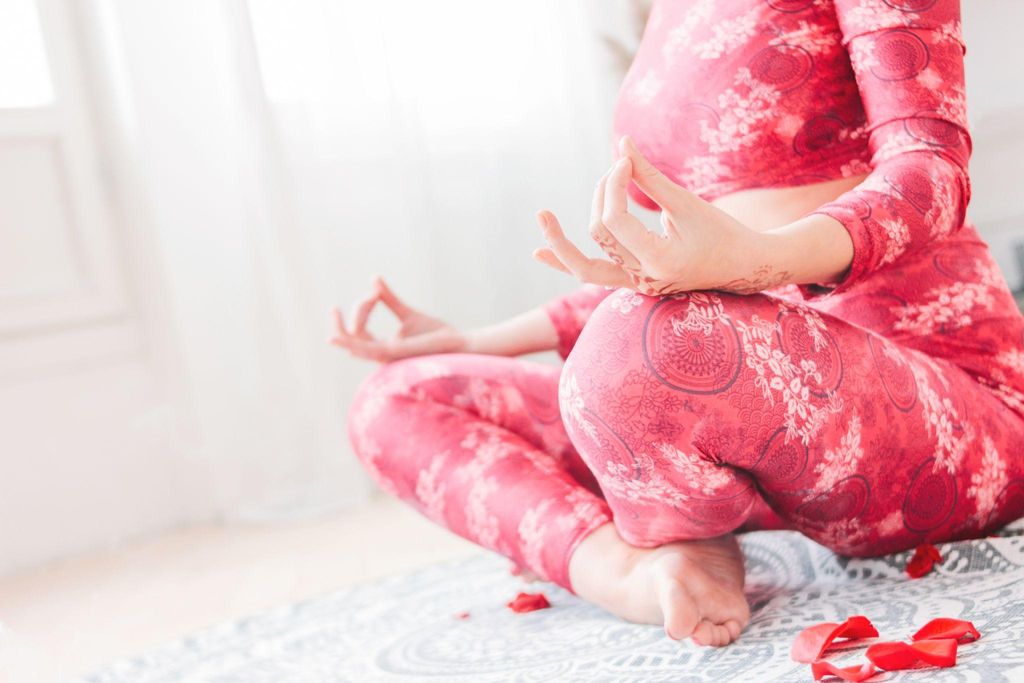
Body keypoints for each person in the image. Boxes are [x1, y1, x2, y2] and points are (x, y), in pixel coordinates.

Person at [332, 0, 1024, 648]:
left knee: (640, 348)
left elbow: (931, 173)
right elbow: (679, 270)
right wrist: (472, 342)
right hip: (752, 426)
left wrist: (757, 261)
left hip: (942, 397)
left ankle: (673, 525)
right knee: (395, 398)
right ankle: (629, 567)